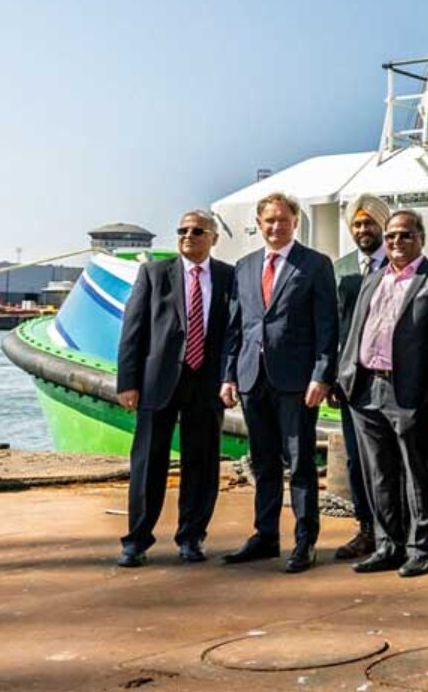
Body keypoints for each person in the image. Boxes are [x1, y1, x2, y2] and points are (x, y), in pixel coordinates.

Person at [221, 191, 339, 574]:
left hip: (295, 381)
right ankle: (265, 535)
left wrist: (322, 375)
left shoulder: (315, 265)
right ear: (259, 224)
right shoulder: (245, 266)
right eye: (269, 220)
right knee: (264, 461)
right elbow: (237, 326)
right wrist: (229, 375)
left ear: (295, 222)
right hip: (253, 378)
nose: (276, 226)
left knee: (300, 463)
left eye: (283, 220)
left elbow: (327, 326)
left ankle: (305, 540)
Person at [336, 209, 428, 577]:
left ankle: (421, 548)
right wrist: (346, 378)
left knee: (417, 471)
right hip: (366, 388)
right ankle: (388, 544)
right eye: (390, 237)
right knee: (379, 472)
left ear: (421, 237)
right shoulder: (373, 279)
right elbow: (356, 327)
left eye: (405, 235)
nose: (396, 242)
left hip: (410, 391)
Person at [115, 210, 236, 568]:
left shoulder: (228, 277)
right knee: (148, 463)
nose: (188, 236)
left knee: (201, 464)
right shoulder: (154, 274)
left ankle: (192, 536)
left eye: (197, 231)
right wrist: (128, 382)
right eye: (182, 230)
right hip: (158, 382)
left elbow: (235, 332)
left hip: (207, 383)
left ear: (213, 237)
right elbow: (133, 331)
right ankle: (136, 540)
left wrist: (231, 378)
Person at [331, 193, 389, 562]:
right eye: (357, 224)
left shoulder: (400, 265)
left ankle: (399, 531)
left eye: (370, 223)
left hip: (392, 380)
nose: (363, 230)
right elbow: (332, 326)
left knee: (393, 459)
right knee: (357, 459)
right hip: (353, 382)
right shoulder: (341, 270)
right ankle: (366, 529)